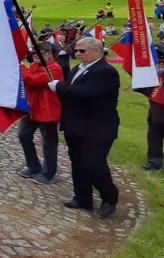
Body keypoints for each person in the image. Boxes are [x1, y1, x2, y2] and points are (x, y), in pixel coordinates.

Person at [48, 38, 120, 219]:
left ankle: (109, 197)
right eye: (76, 50)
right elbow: (72, 94)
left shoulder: (106, 72)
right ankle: (82, 197)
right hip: (75, 124)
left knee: (94, 163)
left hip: (98, 127)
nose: (77, 54)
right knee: (78, 163)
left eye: (82, 51)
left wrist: (59, 86)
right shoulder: (76, 69)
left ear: (97, 52)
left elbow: (88, 92)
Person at [17, 42, 64, 185]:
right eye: (34, 53)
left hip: (47, 109)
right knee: (24, 135)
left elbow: (34, 81)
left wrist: (20, 67)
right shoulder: (33, 66)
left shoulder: (54, 68)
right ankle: (33, 165)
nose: (36, 56)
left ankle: (48, 172)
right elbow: (27, 81)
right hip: (31, 107)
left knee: (49, 142)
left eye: (40, 54)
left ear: (49, 54)